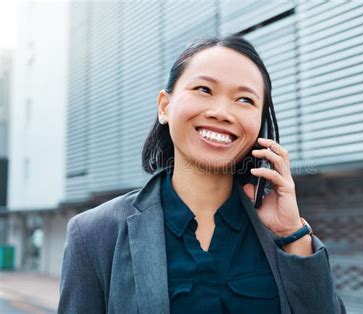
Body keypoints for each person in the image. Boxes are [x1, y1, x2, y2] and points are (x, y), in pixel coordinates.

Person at [58, 35, 346, 314]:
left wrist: (292, 233)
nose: (222, 112)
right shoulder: (94, 234)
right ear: (165, 106)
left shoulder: (281, 233)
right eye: (204, 90)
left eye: (245, 100)